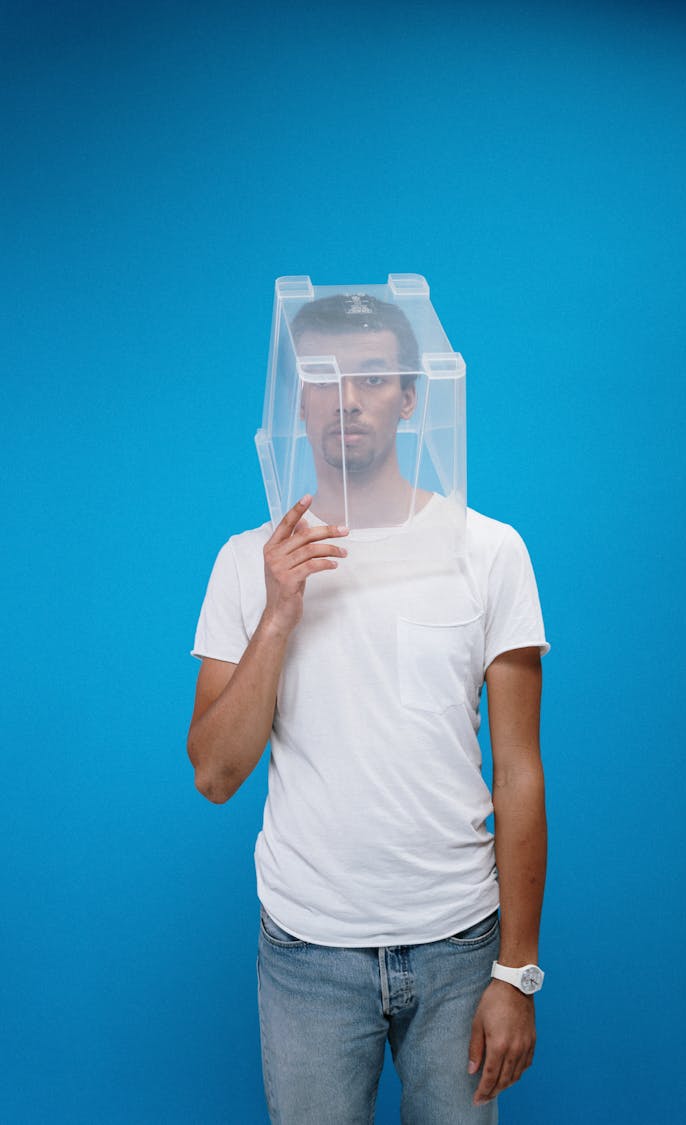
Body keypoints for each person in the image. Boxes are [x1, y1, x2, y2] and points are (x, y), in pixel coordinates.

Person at [188, 292, 549, 1124]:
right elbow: (214, 771)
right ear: (298, 401)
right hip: (308, 950)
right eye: (322, 379)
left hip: (460, 942)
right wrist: (281, 608)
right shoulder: (247, 564)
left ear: (412, 398)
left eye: (374, 378)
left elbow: (520, 769)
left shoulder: (491, 552)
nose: (346, 399)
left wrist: (516, 971)